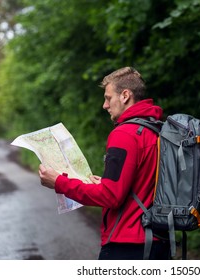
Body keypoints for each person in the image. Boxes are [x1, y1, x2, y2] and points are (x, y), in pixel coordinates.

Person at [38, 66, 170, 260]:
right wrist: (105, 184)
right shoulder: (156, 129)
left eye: (108, 98)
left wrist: (59, 183)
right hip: (159, 242)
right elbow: (142, 183)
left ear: (125, 95)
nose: (105, 105)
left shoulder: (124, 134)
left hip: (128, 246)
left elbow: (111, 197)